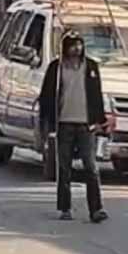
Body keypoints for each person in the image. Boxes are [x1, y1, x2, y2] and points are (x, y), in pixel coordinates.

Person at [38, 30, 110, 223]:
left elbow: (96, 95)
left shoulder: (91, 67)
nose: (77, 48)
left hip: (86, 125)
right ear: (65, 48)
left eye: (79, 44)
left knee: (91, 167)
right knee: (64, 168)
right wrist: (46, 124)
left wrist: (101, 121)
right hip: (63, 124)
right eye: (72, 45)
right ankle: (65, 208)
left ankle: (96, 209)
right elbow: (46, 97)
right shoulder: (56, 68)